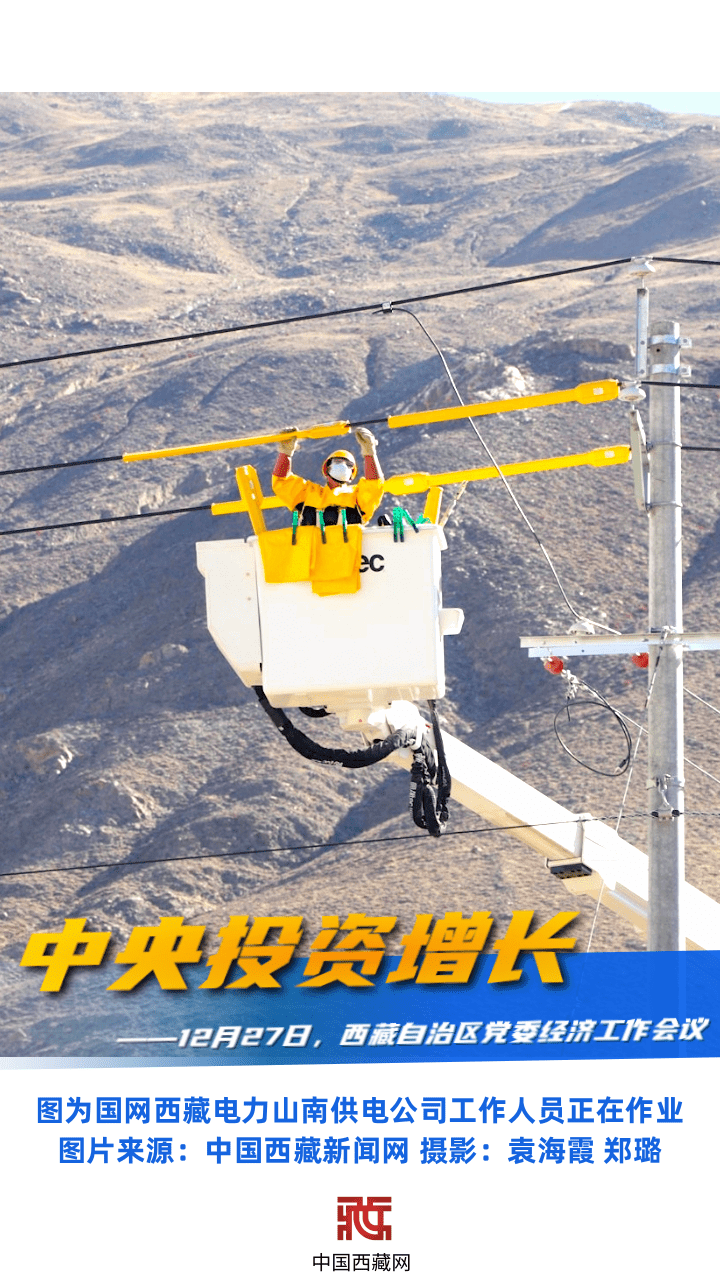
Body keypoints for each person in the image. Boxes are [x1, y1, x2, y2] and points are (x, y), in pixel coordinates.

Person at [272, 427, 384, 526]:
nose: (342, 466)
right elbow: (282, 482)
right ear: (327, 469)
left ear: (352, 474)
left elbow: (374, 485)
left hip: (348, 544)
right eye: (337, 461)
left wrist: (369, 452)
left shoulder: (356, 496)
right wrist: (285, 452)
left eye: (348, 465)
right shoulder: (309, 494)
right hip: (313, 544)